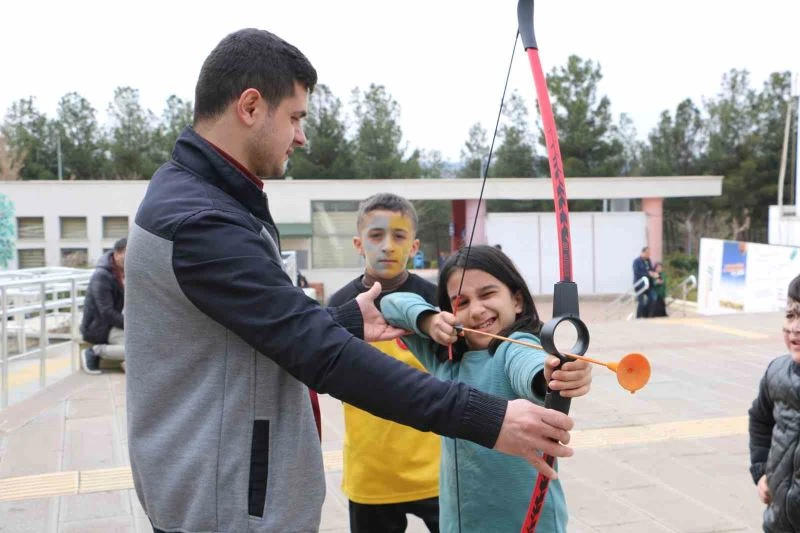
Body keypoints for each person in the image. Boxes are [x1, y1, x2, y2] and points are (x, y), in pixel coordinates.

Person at [125, 28, 576, 533]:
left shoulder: (205, 201)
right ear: (250, 106)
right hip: (224, 506)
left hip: (223, 493)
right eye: (295, 117)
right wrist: (487, 419)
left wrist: (341, 320)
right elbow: (324, 356)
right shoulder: (203, 222)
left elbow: (259, 328)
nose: (301, 136)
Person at [380, 245, 592, 532]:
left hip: (527, 524)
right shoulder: (444, 358)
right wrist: (429, 321)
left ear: (517, 301)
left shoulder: (514, 348)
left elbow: (530, 366)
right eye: (461, 302)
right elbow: (390, 303)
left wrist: (552, 375)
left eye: (488, 294)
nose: (477, 310)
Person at [328, 193, 441, 533]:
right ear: (358, 244)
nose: (388, 246)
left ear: (414, 245)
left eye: (399, 236)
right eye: (376, 235)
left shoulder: (437, 301)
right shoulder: (339, 306)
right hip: (371, 472)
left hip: (438, 470)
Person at [748, 274, 800, 532]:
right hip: (779, 522)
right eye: (791, 315)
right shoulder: (776, 373)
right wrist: (761, 472)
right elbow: (760, 420)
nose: (795, 328)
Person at [79, 237, 126, 374]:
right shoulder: (102, 276)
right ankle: (93, 352)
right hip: (99, 328)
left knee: (146, 344)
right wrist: (131, 325)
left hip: (114, 324)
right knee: (136, 349)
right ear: (117, 254)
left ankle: (129, 363)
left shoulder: (122, 272)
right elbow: (106, 312)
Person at [632, 246, 656, 318]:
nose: (649, 255)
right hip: (640, 285)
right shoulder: (636, 261)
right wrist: (648, 274)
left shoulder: (648, 261)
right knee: (641, 302)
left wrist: (654, 274)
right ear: (642, 253)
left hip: (648, 285)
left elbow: (651, 270)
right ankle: (638, 317)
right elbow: (637, 272)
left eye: (649, 253)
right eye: (647, 253)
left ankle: (648, 316)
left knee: (652, 299)